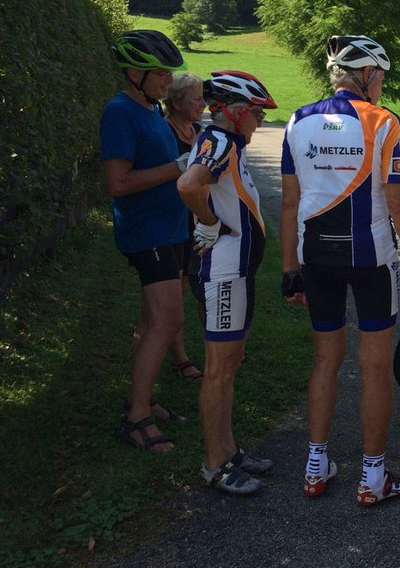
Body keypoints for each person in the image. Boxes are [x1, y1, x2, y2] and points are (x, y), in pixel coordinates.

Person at [280, 35, 400, 505]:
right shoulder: (382, 120)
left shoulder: (297, 120)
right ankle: (372, 476)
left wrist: (289, 270)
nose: (381, 85)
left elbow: (289, 202)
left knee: (325, 359)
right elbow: (398, 202)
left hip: (315, 259)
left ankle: (315, 467)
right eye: (380, 76)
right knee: (374, 365)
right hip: (370, 258)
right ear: (366, 74)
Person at [177, 71, 277, 494]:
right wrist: (207, 222)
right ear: (235, 112)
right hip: (224, 273)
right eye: (257, 113)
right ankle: (214, 464)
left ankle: (229, 450)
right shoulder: (219, 142)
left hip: (237, 272)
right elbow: (188, 184)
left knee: (230, 365)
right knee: (218, 371)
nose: (260, 121)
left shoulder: (227, 143)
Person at [101, 30, 190, 453]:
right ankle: (136, 419)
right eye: (160, 73)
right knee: (168, 321)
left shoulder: (151, 109)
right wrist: (178, 167)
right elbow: (117, 183)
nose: (168, 81)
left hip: (169, 228)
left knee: (150, 322)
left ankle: (143, 397)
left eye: (170, 73)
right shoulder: (120, 112)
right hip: (147, 231)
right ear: (134, 73)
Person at [163, 72, 208, 381]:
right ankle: (180, 357)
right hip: (173, 220)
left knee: (204, 284)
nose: (203, 104)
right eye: (197, 98)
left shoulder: (201, 132)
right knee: (176, 290)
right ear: (177, 101)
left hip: (201, 220)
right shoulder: (164, 131)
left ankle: (217, 348)